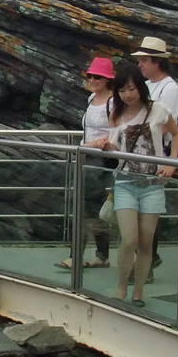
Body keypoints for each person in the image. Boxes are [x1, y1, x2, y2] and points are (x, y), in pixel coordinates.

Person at [93, 60, 178, 308]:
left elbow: (176, 133)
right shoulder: (116, 114)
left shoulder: (158, 109)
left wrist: (172, 161)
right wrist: (106, 146)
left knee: (145, 241)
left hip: (153, 184)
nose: (127, 94)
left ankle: (138, 291)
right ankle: (121, 286)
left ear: (140, 88)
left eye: (132, 89)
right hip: (125, 182)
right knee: (129, 239)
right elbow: (117, 149)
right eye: (122, 90)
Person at [58, 56, 116, 270]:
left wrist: (91, 145)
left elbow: (115, 132)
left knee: (86, 208)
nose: (92, 79)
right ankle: (101, 255)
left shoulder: (113, 102)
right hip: (87, 156)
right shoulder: (92, 98)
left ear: (108, 79)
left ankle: (77, 256)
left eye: (98, 77)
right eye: (90, 75)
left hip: (101, 160)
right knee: (91, 208)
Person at [132, 37, 178, 280]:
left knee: (148, 211)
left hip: (155, 153)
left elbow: (163, 124)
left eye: (144, 60)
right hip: (138, 153)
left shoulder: (169, 88)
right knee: (137, 210)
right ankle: (146, 258)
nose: (140, 65)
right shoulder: (146, 86)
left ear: (157, 62)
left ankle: (147, 261)